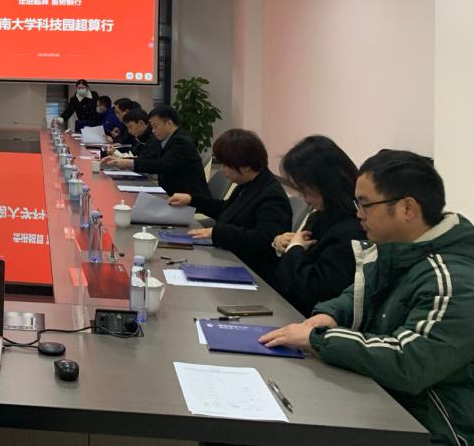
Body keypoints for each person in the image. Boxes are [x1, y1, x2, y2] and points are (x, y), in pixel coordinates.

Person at [261, 151, 474, 446]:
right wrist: (330, 314)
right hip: (384, 402)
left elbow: (407, 361)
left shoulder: (454, 280)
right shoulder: (396, 249)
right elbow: (358, 294)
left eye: (365, 205)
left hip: (432, 428)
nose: (358, 214)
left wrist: (318, 339)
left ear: (407, 208)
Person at [169, 129, 291, 283]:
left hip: (251, 273)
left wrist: (218, 233)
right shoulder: (249, 183)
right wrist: (192, 199)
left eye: (226, 165)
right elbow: (228, 210)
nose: (222, 169)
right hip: (230, 258)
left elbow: (265, 240)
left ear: (246, 165)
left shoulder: (272, 196)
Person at [270, 136, 364, 315]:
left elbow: (314, 290)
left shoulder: (351, 230)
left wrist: (294, 249)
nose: (304, 199)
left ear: (327, 183)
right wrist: (283, 244)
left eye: (305, 190)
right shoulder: (321, 216)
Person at [101, 105, 207, 198]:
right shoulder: (167, 139)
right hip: (172, 195)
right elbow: (150, 159)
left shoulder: (180, 141)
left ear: (169, 123)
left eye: (155, 126)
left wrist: (129, 163)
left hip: (187, 200)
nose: (152, 130)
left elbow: (162, 164)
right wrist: (120, 160)